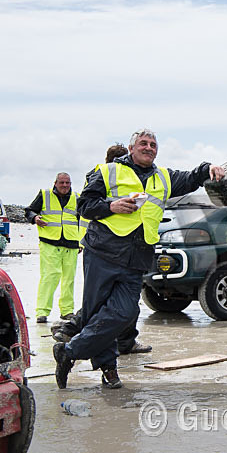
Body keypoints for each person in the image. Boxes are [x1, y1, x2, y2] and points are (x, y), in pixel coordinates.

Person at [52, 129, 224, 389]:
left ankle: (69, 351)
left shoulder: (164, 177)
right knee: (96, 313)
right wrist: (110, 207)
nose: (149, 147)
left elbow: (191, 178)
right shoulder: (108, 171)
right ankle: (109, 370)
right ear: (131, 149)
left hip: (137, 257)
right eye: (143, 143)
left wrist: (209, 167)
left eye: (153, 144)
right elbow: (84, 205)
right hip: (102, 253)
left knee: (125, 312)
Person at [53, 142, 146, 355]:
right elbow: (87, 206)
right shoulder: (109, 176)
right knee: (111, 305)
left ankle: (75, 332)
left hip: (95, 243)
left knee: (111, 302)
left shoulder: (97, 174)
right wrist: (112, 207)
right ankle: (81, 337)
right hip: (106, 246)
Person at [25, 173, 81, 323]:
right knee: (49, 277)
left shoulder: (77, 197)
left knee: (69, 279)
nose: (64, 185)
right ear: (55, 183)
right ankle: (42, 312)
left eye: (67, 183)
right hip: (50, 242)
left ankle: (67, 311)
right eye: (62, 182)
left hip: (71, 244)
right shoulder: (45, 195)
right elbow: (29, 211)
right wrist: (35, 218)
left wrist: (81, 243)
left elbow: (83, 221)